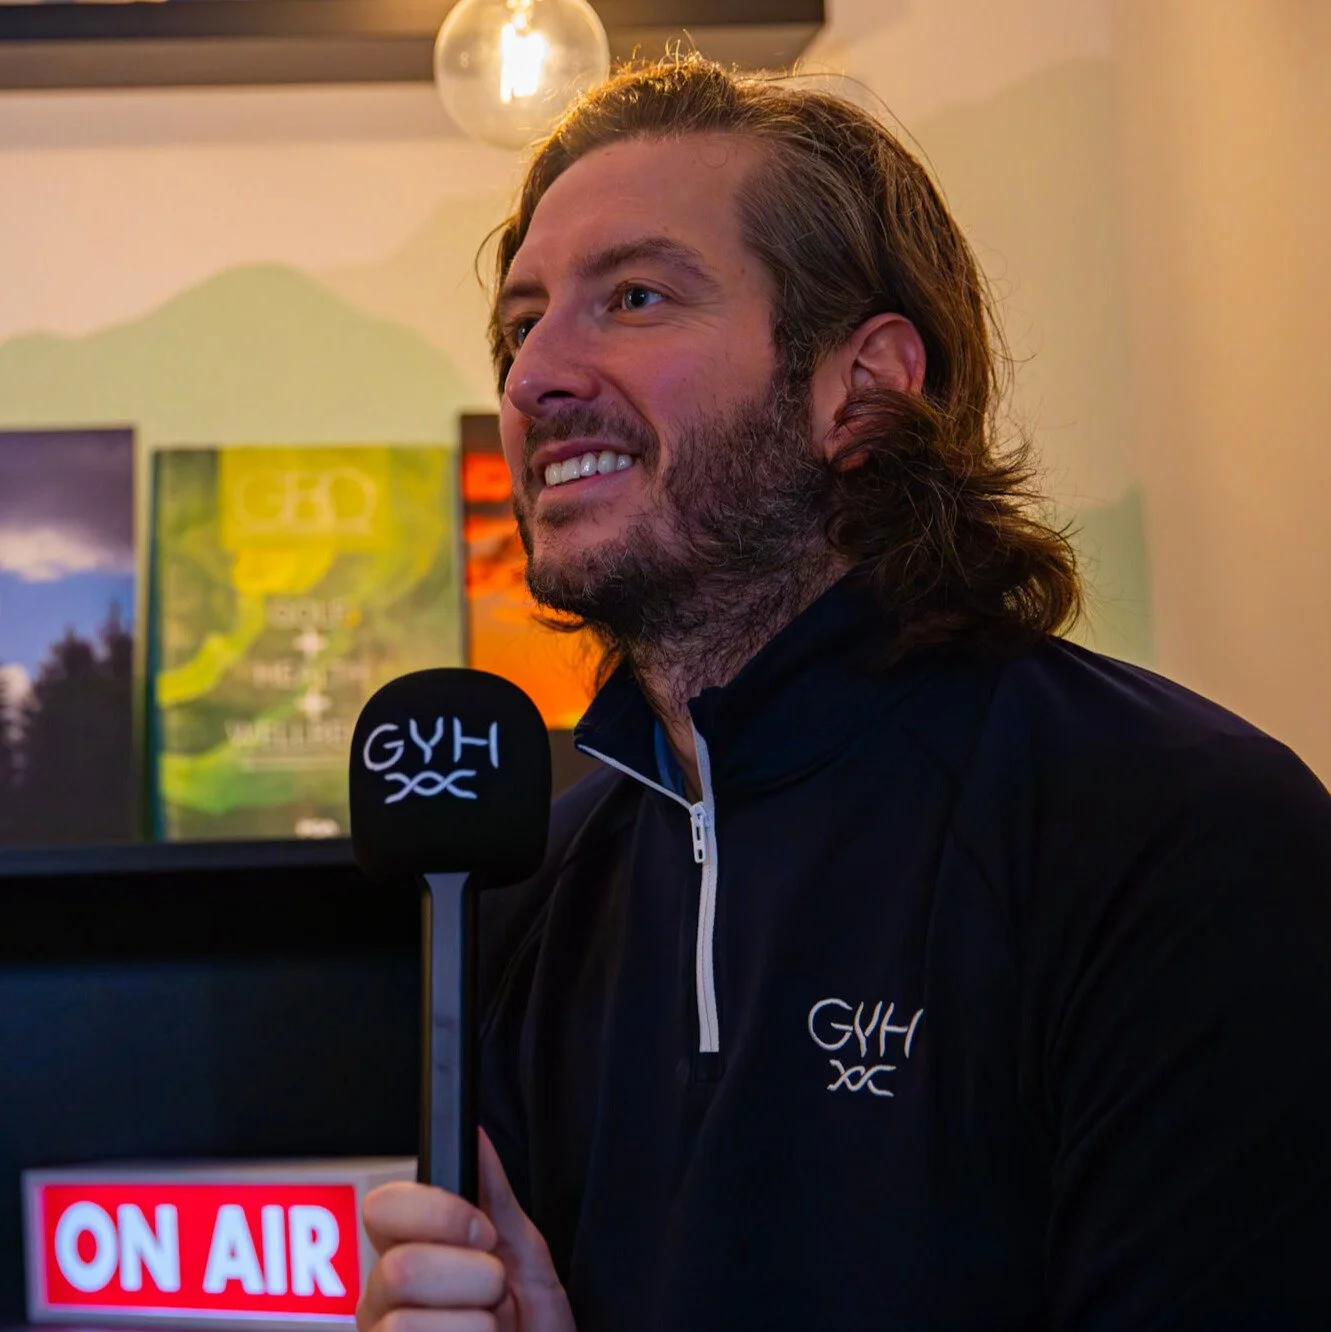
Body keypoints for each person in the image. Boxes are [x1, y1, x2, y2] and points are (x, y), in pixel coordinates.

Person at [356, 56, 1331, 1332]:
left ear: (861, 389)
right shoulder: (528, 901)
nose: (533, 376)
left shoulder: (1178, 831)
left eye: (633, 296)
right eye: (519, 324)